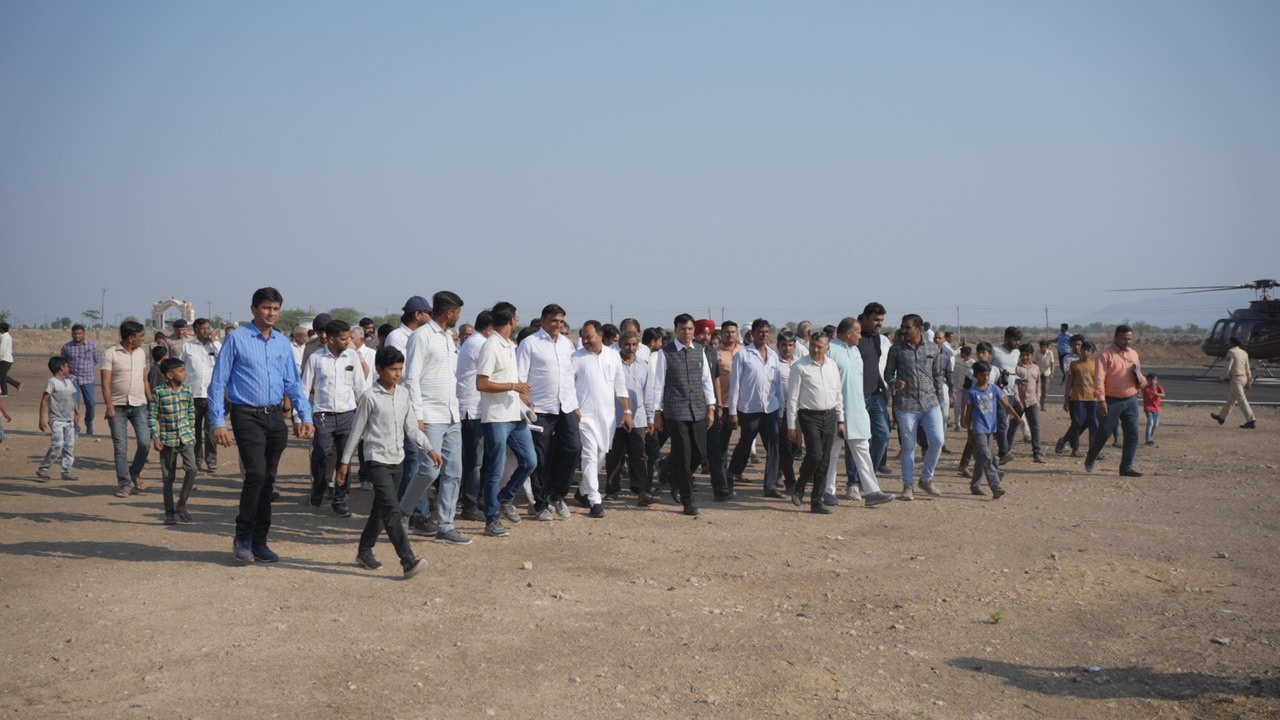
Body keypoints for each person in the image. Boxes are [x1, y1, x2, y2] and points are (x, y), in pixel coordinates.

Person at [209, 287, 314, 564]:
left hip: (275, 417)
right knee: (255, 474)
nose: (272, 313)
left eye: (276, 308)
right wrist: (218, 422)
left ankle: (260, 541)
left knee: (268, 479)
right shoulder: (237, 339)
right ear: (254, 309)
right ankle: (242, 537)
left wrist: (305, 415)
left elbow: (293, 382)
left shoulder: (282, 342)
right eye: (267, 308)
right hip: (246, 415)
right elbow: (218, 382)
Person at [336, 346, 432, 578]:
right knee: (391, 510)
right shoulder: (370, 397)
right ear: (379, 369)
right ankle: (408, 561)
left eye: (400, 369)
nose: (398, 374)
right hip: (376, 460)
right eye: (393, 369)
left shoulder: (404, 394)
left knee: (380, 510)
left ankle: (364, 551)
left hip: (397, 460)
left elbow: (412, 429)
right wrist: (345, 462)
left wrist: (430, 449)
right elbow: (356, 431)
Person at [400, 291, 472, 545]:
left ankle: (446, 525)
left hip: (451, 415)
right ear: (449, 313)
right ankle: (403, 513)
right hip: (429, 415)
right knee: (429, 470)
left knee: (454, 472)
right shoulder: (421, 336)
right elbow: (411, 377)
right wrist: (417, 416)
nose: (459, 317)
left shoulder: (448, 338)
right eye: (458, 312)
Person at [475, 303, 537, 537]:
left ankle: (504, 499)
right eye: (516, 316)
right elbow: (481, 383)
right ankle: (492, 518)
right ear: (512, 319)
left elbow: (509, 379)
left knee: (529, 461)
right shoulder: (491, 345)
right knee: (495, 469)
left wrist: (524, 397)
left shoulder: (509, 345)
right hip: (497, 418)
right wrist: (513, 386)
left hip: (514, 414)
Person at [516, 303, 582, 521]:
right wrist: (526, 402)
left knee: (573, 448)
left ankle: (557, 495)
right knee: (540, 457)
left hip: (566, 406)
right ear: (543, 320)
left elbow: (570, 376)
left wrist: (575, 405)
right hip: (541, 408)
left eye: (561, 321)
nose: (558, 325)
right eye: (554, 320)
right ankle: (541, 504)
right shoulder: (530, 343)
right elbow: (519, 376)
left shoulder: (567, 344)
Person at [825, 317, 897, 507]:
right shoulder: (830, 350)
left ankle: (872, 492)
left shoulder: (855, 350)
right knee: (832, 453)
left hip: (857, 409)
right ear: (849, 333)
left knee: (863, 450)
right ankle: (828, 491)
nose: (860, 336)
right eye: (857, 333)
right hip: (836, 411)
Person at [301, 319, 367, 518]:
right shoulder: (316, 359)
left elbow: (360, 387)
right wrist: (301, 418)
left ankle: (340, 499)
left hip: (348, 415)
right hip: (323, 415)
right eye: (343, 339)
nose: (347, 342)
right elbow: (304, 389)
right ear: (331, 339)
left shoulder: (352, 357)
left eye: (348, 339)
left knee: (345, 458)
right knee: (321, 454)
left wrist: (367, 413)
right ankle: (319, 486)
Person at [651, 313, 716, 516]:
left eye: (690, 329)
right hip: (675, 410)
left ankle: (668, 468)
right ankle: (688, 499)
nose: (687, 333)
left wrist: (711, 407)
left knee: (700, 453)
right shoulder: (665, 353)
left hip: (698, 409)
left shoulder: (699, 351)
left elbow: (706, 381)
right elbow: (658, 384)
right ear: (675, 331)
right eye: (682, 329)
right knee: (683, 454)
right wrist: (657, 412)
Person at [570, 320, 631, 518]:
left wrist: (627, 412)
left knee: (601, 455)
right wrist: (574, 408)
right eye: (583, 338)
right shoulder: (576, 358)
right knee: (589, 454)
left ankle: (583, 490)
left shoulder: (613, 356)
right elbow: (567, 386)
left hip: (607, 416)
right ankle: (595, 500)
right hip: (584, 415)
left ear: (600, 335)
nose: (585, 341)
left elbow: (620, 386)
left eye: (589, 337)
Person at [884, 314, 947, 500]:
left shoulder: (933, 348)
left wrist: (941, 402)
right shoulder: (896, 349)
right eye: (902, 327)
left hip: (930, 403)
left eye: (908, 327)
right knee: (908, 447)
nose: (903, 330)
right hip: (906, 405)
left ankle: (926, 479)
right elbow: (888, 374)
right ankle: (908, 486)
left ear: (919, 329)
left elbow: (938, 375)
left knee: (938, 440)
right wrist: (894, 383)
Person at [786, 331, 844, 514]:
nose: (815, 349)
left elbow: (838, 394)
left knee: (825, 461)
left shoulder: (832, 365)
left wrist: (841, 419)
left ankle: (817, 501)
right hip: (809, 416)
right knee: (815, 454)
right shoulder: (799, 366)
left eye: (819, 346)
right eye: (812, 345)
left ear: (827, 348)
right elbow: (792, 399)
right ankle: (801, 483)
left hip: (829, 416)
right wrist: (791, 426)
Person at [727, 319, 785, 498]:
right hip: (749, 408)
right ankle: (732, 473)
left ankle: (770, 486)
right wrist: (732, 411)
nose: (764, 335)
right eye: (760, 332)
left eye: (767, 332)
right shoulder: (743, 355)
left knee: (774, 446)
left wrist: (781, 409)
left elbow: (778, 384)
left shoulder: (773, 355)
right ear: (752, 334)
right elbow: (735, 385)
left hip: (771, 408)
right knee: (745, 443)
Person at [1083, 325, 1145, 477]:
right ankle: (1091, 456)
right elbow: (1099, 379)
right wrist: (1101, 400)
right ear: (1116, 337)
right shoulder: (1105, 355)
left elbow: (1138, 374)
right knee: (1104, 432)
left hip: (1130, 400)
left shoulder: (1133, 354)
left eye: (1130, 339)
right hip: (1112, 400)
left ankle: (1126, 467)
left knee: (1132, 434)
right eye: (1124, 339)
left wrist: (1142, 383)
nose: (1127, 342)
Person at [102, 320, 153, 498]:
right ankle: (125, 484)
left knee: (145, 442)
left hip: (140, 405)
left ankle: (135, 471)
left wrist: (151, 401)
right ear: (130, 338)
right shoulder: (110, 354)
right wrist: (109, 406)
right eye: (140, 336)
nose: (142, 339)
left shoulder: (141, 353)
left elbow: (144, 379)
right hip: (117, 407)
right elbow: (105, 383)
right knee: (120, 448)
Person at [605, 330, 657, 505]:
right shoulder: (612, 363)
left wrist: (650, 418)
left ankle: (642, 491)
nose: (630, 348)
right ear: (620, 344)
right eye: (627, 344)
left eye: (634, 345)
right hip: (615, 416)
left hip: (638, 418)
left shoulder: (644, 366)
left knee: (639, 454)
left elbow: (648, 393)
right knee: (614, 455)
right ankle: (612, 490)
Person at [148, 358, 198, 525]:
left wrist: (192, 433)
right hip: (167, 441)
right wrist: (156, 438)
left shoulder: (187, 390)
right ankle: (169, 513)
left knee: (192, 469)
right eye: (181, 371)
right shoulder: (159, 392)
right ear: (169, 375)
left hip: (186, 438)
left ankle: (181, 504)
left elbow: (191, 413)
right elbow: (152, 416)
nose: (185, 373)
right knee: (168, 478)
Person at [456, 309, 495, 522]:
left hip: (477, 409)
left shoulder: (474, 342)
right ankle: (470, 505)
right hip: (473, 409)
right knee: (475, 462)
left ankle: (477, 501)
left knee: (480, 460)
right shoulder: (480, 345)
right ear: (490, 329)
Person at [962, 361, 1019, 499]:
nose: (986, 378)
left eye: (988, 375)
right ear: (976, 376)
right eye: (983, 375)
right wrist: (969, 433)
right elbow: (969, 413)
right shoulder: (972, 392)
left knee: (981, 458)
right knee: (987, 456)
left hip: (991, 428)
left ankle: (975, 486)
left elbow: (1006, 404)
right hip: (978, 429)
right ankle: (996, 487)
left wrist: (1017, 417)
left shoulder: (994, 388)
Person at [180, 318, 222, 472]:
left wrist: (215, 342)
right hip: (192, 393)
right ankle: (196, 460)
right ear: (196, 330)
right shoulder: (188, 346)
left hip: (211, 394)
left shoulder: (215, 346)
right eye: (203, 328)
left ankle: (211, 460)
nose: (207, 331)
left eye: (208, 328)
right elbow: (180, 367)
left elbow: (224, 358)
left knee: (210, 430)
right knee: (194, 430)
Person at [857, 304, 893, 476]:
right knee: (859, 439)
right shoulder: (854, 338)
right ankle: (856, 479)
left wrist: (883, 387)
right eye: (876, 320)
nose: (879, 324)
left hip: (875, 394)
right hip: (858, 397)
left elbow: (874, 366)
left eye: (882, 320)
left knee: (883, 434)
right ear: (865, 318)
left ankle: (868, 472)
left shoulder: (877, 338)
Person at [37, 357, 80, 482]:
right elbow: (44, 400)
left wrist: (77, 411)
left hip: (69, 420)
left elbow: (72, 397)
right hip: (57, 420)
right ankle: (44, 467)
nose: (68, 368)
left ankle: (66, 471)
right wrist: (41, 419)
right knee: (57, 445)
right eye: (66, 366)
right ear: (61, 367)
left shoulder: (68, 382)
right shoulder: (52, 382)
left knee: (69, 447)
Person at [990, 327, 1023, 464]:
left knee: (1003, 423)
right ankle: (1004, 453)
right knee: (1002, 423)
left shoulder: (1017, 352)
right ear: (1006, 338)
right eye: (1014, 340)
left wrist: (1017, 394)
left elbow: (1014, 372)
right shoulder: (995, 351)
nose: (1017, 343)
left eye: (1018, 340)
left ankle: (1000, 451)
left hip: (1010, 393)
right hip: (997, 393)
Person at [1060, 341, 1099, 458]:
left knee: (1093, 424)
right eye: (1083, 349)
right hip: (1078, 397)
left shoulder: (1096, 365)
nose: (1085, 352)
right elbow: (1069, 383)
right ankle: (1064, 440)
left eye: (1088, 350)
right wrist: (1066, 399)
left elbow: (1099, 382)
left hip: (1092, 398)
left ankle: (1093, 451)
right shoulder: (1074, 365)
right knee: (1077, 421)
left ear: (1092, 352)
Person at [61, 325, 101, 434]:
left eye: (79, 333)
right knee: (74, 405)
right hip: (72, 380)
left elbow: (97, 360)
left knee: (91, 404)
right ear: (72, 334)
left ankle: (89, 422)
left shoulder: (92, 346)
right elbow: (63, 363)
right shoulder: (66, 347)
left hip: (88, 380)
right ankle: (75, 427)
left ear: (84, 334)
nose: (77, 336)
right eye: (74, 333)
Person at [1212, 337, 1256, 429]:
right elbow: (1248, 369)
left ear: (1232, 343)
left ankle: (1251, 420)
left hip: (1236, 379)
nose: (1228, 343)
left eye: (1229, 342)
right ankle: (1221, 417)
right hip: (1243, 378)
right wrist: (1250, 380)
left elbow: (1227, 369)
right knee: (1231, 400)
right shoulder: (1244, 353)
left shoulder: (1231, 352)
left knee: (1241, 400)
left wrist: (1221, 378)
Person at [775, 331, 800, 492]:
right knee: (785, 447)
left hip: (799, 412)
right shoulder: (774, 363)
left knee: (795, 447)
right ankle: (790, 482)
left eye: (790, 345)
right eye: (784, 345)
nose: (787, 348)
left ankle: (778, 471)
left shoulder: (800, 363)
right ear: (778, 346)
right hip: (781, 411)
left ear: (795, 346)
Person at [1014, 343, 1044, 463]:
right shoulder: (1016, 368)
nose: (1025, 357)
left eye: (1028, 355)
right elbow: (1014, 385)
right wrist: (1017, 399)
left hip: (1032, 402)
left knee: (1035, 428)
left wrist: (1038, 400)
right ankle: (1005, 451)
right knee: (1013, 427)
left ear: (1032, 355)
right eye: (1023, 355)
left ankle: (1037, 453)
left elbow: (1038, 385)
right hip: (1019, 403)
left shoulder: (1036, 368)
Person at [1142, 373, 1165, 445]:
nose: (1152, 381)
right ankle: (1148, 439)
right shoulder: (1146, 388)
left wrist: (1157, 394)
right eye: (1150, 380)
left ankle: (1150, 437)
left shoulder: (1159, 388)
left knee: (1155, 425)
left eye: (1154, 379)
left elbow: (1163, 394)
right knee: (1150, 423)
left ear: (1157, 381)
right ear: (1148, 381)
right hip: (1148, 408)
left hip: (1157, 409)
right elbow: (1141, 393)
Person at [1034, 340, 1056, 407]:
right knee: (1036, 388)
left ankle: (1042, 404)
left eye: (1044, 347)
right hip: (1038, 372)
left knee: (1045, 390)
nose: (1043, 349)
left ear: (1047, 347)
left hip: (1047, 372)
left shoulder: (1050, 353)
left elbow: (1052, 363)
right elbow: (1034, 363)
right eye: (1041, 347)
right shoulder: (1037, 352)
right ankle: (1036, 403)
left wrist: (1052, 373)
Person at [0, 322, 20, 395]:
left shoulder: (5, 338)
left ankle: (5, 392)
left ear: (2, 329)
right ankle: (17, 384)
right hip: (6, 359)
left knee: (2, 376)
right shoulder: (6, 336)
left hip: (5, 359)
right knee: (2, 375)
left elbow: (2, 350)